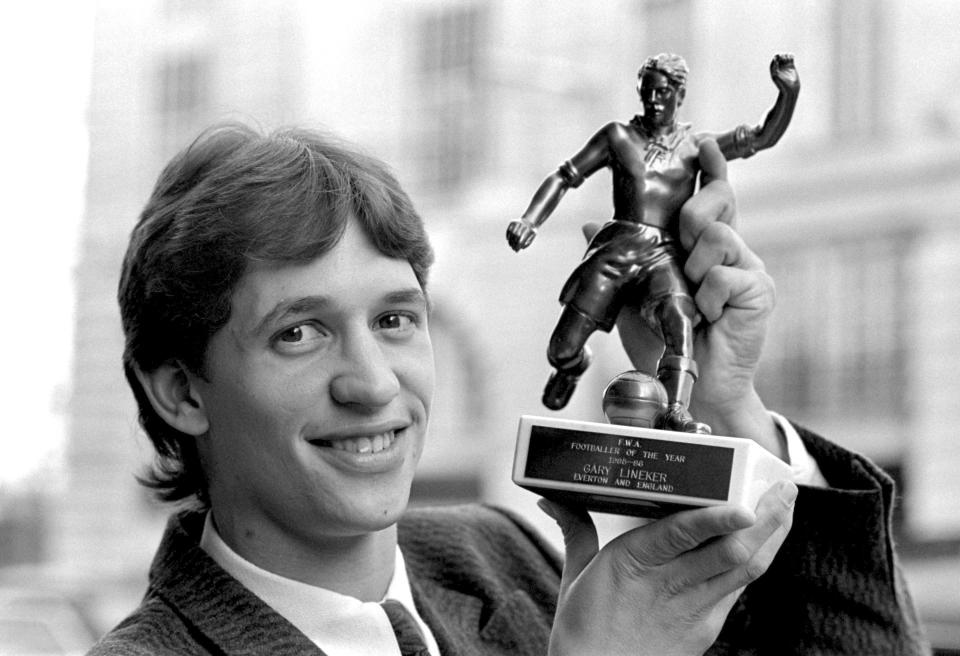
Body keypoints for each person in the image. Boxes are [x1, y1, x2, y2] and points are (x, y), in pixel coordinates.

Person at [88, 123, 928, 656]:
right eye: (298, 334)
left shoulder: (503, 557)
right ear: (180, 391)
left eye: (395, 321)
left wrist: (722, 401)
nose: (374, 385)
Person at [506, 53, 800, 434]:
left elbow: (761, 137)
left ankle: (675, 411)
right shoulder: (618, 136)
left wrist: (788, 92)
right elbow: (565, 175)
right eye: (647, 92)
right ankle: (572, 365)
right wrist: (530, 220)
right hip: (617, 246)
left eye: (662, 92)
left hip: (665, 255)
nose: (654, 101)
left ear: (680, 95)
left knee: (679, 324)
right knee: (560, 349)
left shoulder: (697, 147)